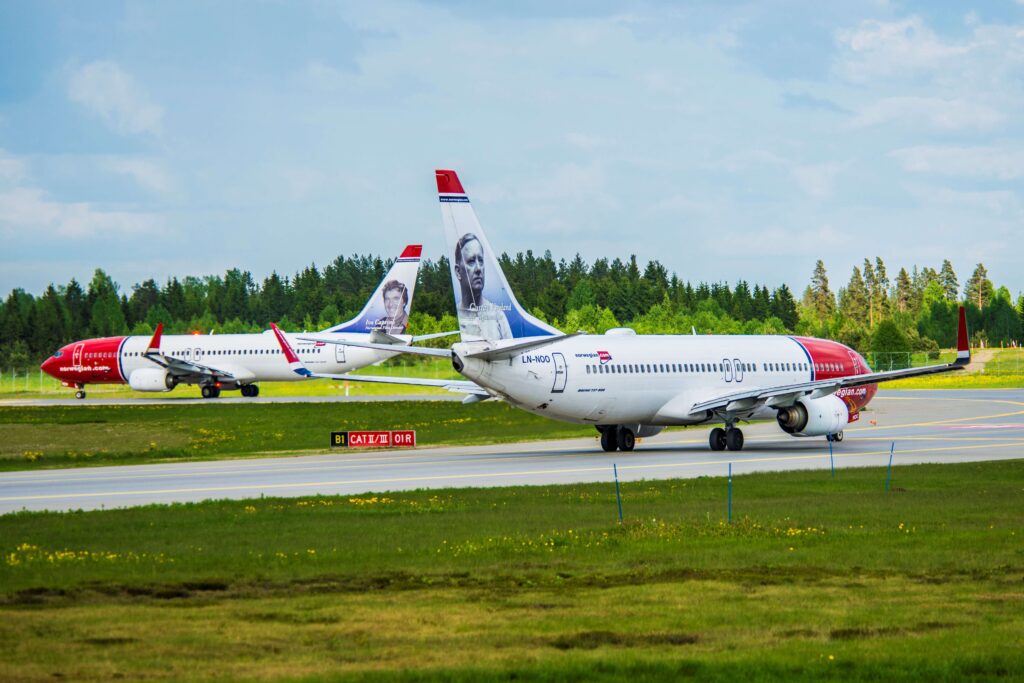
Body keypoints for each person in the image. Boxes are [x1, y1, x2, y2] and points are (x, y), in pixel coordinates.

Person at [453, 232, 512, 340]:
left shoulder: (497, 316)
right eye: (471, 261)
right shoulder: (454, 317)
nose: (479, 269)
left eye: (480, 260)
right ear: (458, 271)